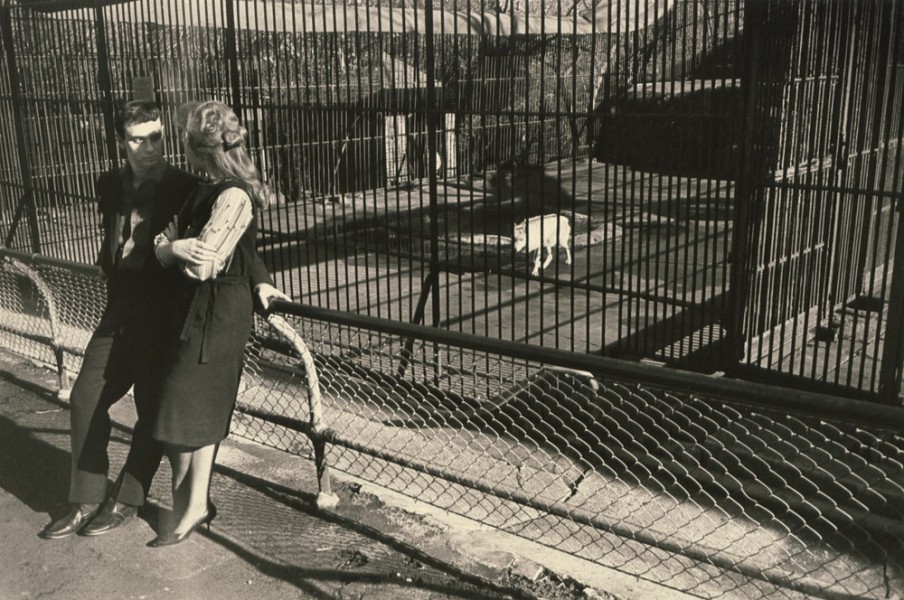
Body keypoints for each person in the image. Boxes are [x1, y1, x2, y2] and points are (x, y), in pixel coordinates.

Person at [40, 100, 284, 540]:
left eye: (156, 136)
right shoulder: (109, 184)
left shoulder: (188, 183)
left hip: (169, 314)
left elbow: (240, 241)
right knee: (85, 397)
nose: (149, 147)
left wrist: (260, 281)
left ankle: (126, 500)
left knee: (154, 412)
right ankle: (85, 499)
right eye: (138, 139)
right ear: (121, 142)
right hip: (120, 309)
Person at [148, 100, 272, 546]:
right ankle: (194, 505)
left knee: (182, 413)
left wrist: (172, 249)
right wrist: (172, 248)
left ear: (198, 148)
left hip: (217, 317)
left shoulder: (233, 195)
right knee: (187, 417)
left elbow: (204, 264)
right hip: (194, 311)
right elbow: (167, 240)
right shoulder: (202, 187)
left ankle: (192, 505)